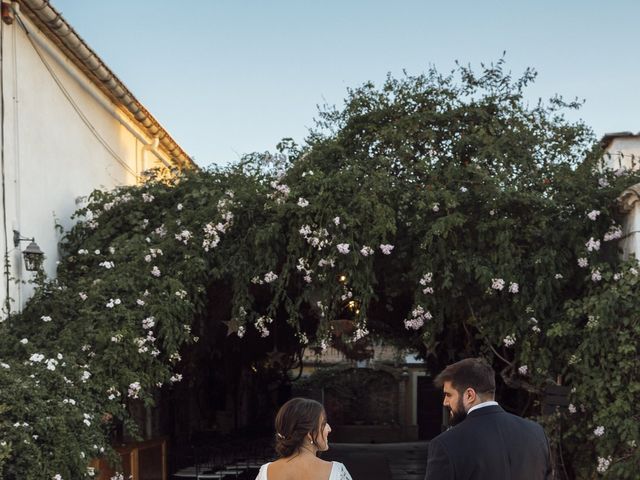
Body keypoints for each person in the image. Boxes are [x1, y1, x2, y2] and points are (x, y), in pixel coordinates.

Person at [425, 357, 552, 480]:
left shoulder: (445, 444)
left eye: (449, 394)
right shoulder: (536, 433)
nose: (445, 402)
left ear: (469, 395)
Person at [255, 397, 352, 480]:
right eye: (323, 424)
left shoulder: (266, 472)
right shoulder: (337, 471)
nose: (329, 429)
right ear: (310, 433)